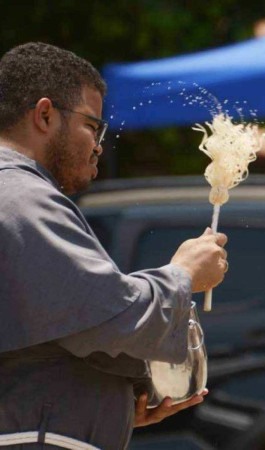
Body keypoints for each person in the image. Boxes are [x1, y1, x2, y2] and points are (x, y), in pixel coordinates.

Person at [0, 42, 228, 449]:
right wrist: (183, 273)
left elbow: (54, 331)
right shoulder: (20, 198)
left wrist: (116, 401)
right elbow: (110, 317)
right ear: (45, 115)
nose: (99, 144)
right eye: (92, 125)